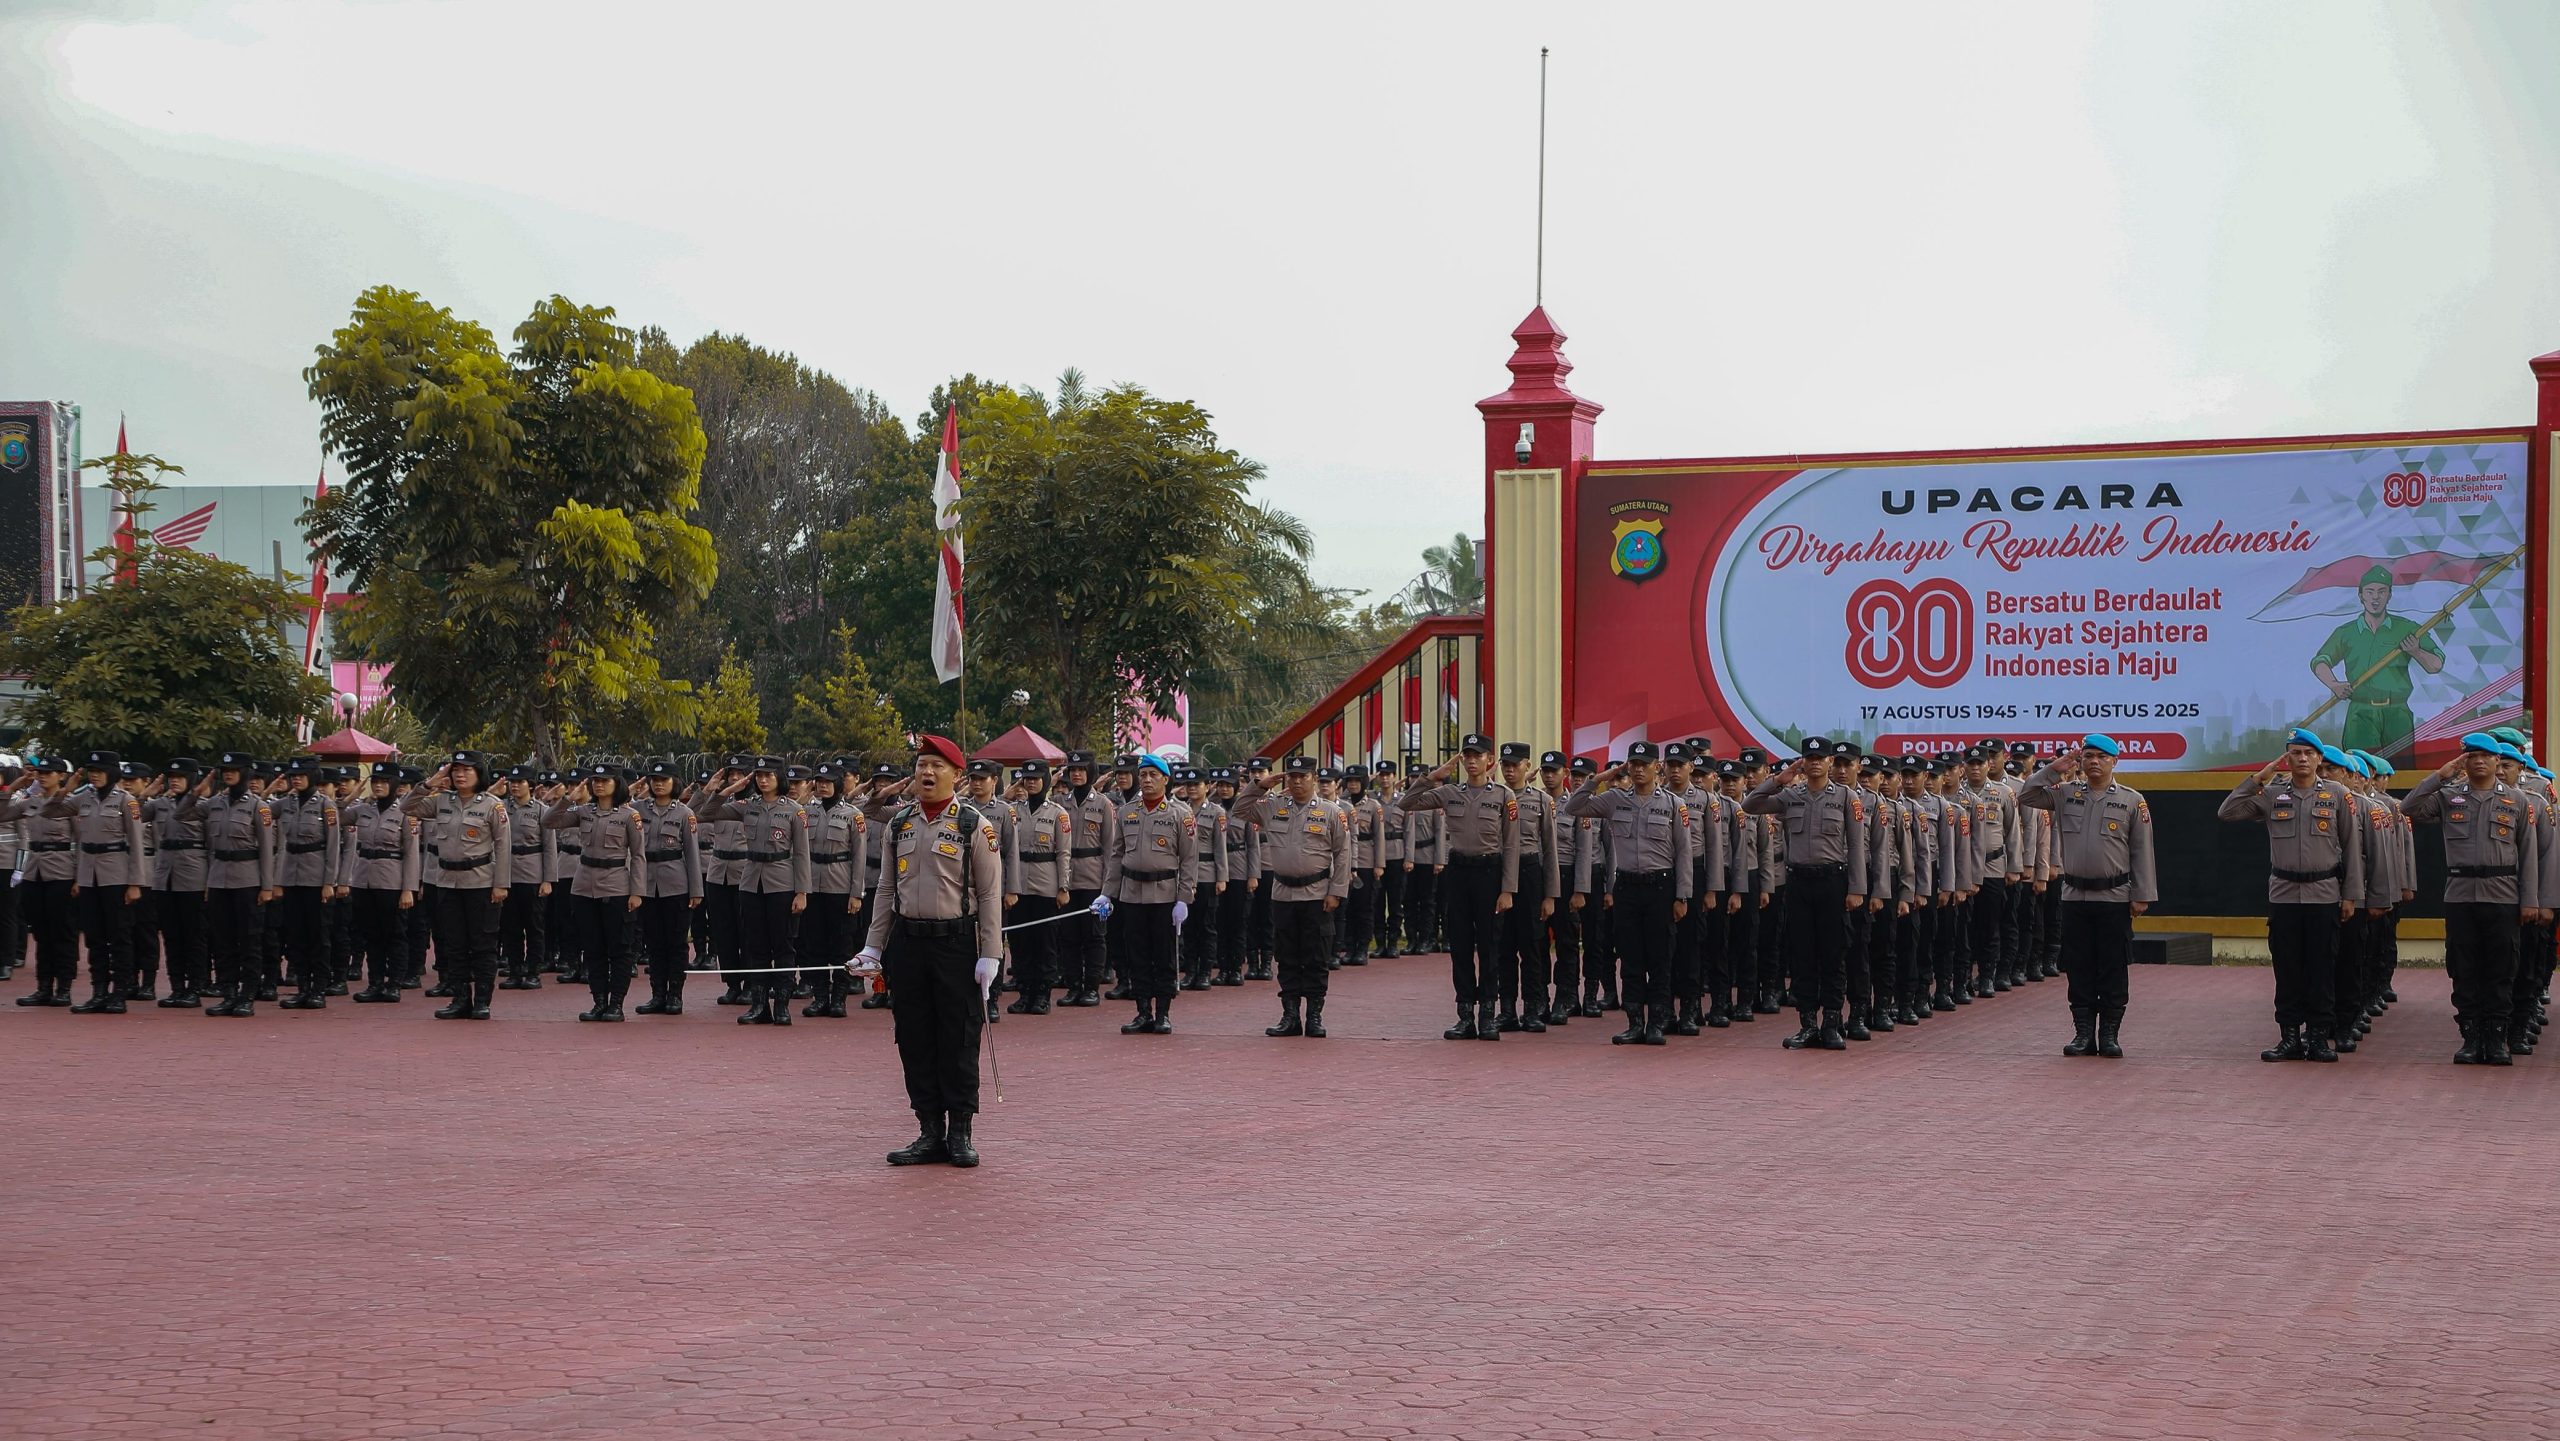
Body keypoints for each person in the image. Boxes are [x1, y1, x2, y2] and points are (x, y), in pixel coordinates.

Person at [857, 734, 1006, 1168]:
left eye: (937, 766)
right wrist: (873, 945)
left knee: (958, 1036)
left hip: (956, 944)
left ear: (957, 776)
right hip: (908, 943)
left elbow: (991, 894)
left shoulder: (973, 826)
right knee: (915, 1036)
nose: (926, 773)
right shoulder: (900, 822)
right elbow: (886, 888)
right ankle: (928, 1130)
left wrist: (990, 954)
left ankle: (960, 1131)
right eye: (922, 764)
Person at [2218, 728, 2363, 1061]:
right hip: (2284, 895)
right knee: (2287, 970)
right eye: (2295, 754)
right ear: (2287, 758)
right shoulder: (2272, 794)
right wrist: (2261, 777)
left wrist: (2350, 895)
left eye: (2308, 754)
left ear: (2318, 758)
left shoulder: (2338, 794)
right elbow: (2227, 812)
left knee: (2321, 969)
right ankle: (2289, 1038)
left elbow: (2352, 847)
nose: (2302, 759)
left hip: (2324, 894)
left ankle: (2316, 1039)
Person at [2402, 732, 2542, 1064]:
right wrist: (2441, 776)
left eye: (2485, 756)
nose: (2478, 761)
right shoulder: (2450, 797)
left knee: (2501, 968)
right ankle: (2471, 1037)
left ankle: (2496, 1040)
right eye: (2471, 756)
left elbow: (2529, 853)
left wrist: (2530, 900)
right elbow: (2409, 807)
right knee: (2464, 968)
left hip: (2503, 894)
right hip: (2461, 894)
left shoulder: (2517, 801)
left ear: (2497, 761)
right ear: (2463, 760)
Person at [2017, 735, 2158, 1058]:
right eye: (2089, 756)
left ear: (2115, 762)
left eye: (2102, 757)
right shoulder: (2067, 794)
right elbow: (2026, 795)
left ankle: (2109, 1034)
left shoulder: (2131, 800)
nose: (2094, 762)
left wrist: (2142, 894)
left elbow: (2142, 851)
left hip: (2114, 897)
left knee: (2112, 966)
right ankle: (2082, 1034)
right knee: (2078, 966)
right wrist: (2055, 769)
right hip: (2075, 896)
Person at [1742, 738, 1870, 1051]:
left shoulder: (1845, 797)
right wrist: (1777, 780)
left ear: (1829, 762)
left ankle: (1830, 1023)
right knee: (1802, 954)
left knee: (1833, 953)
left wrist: (1857, 889)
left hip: (1832, 882)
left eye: (1820, 758)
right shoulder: (1790, 796)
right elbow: (1750, 806)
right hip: (1799, 883)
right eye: (1809, 757)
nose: (1814, 763)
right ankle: (1807, 1024)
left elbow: (1855, 845)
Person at [1561, 742, 1692, 1046]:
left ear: (1656, 767)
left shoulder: (1673, 804)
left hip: (1661, 886)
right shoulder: (1613, 800)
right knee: (1631, 958)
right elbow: (1573, 806)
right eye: (1633, 763)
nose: (1637, 769)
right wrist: (1600, 778)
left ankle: (1658, 1021)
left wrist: (1681, 896)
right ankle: (1635, 1022)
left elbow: (1684, 853)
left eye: (1644, 763)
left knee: (1660, 958)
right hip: (1627, 888)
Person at [1397, 735, 1523, 1041]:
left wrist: (1508, 889)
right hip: (1459, 873)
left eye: (1477, 755)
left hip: (1489, 874)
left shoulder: (1504, 796)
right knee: (1461, 945)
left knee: (1490, 947)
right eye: (1466, 755)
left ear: (1489, 759)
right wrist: (1434, 776)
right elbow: (1407, 803)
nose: (1471, 760)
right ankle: (1465, 1015)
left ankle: (1488, 1016)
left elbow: (1511, 844)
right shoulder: (1451, 792)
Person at [1228, 756, 1350, 1037]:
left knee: (1316, 956)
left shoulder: (1331, 812)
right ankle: (1290, 1015)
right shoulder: (1273, 807)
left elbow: (1343, 854)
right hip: (1283, 894)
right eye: (1292, 776)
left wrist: (1336, 892)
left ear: (1314, 779)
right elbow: (1240, 809)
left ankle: (1315, 1016)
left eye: (1302, 776)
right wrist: (1260, 785)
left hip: (1317, 894)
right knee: (1287, 956)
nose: (1296, 781)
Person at [698, 756, 810, 1027]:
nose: (762, 780)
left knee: (782, 944)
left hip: (781, 882)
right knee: (755, 944)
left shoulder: (794, 811)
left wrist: (802, 892)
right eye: (758, 775)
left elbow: (802, 854)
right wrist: (726, 791)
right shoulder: (747, 807)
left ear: (778, 778)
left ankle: (781, 1005)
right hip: (750, 881)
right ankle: (759, 1004)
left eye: (768, 775)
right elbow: (706, 814)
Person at [405, 752, 510, 1020]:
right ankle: (460, 999)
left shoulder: (492, 805)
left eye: (466, 770)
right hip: (448, 882)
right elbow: (407, 807)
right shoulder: (441, 801)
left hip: (481, 882)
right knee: (455, 944)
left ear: (479, 774)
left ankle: (482, 1002)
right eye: (456, 770)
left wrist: (501, 884)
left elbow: (503, 846)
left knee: (483, 944)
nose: (460, 775)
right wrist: (430, 783)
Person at [1097, 755, 1195, 1034]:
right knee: (1136, 954)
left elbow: (1188, 860)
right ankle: (1143, 1012)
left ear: (1165, 779)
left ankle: (1163, 1012)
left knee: (1163, 956)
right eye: (1144, 775)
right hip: (1132, 895)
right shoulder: (1127, 812)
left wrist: (1183, 899)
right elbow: (1117, 856)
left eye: (1154, 775)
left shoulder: (1180, 814)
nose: (1148, 780)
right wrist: (1107, 894)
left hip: (1164, 895)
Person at [2311, 565, 2446, 760]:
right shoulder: (2346, 633)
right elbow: (2320, 661)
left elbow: (2436, 665)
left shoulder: (2407, 628)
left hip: (2397, 714)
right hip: (2361, 713)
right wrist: (2334, 684)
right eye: (2370, 591)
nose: (2376, 597)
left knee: (2401, 773)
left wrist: (2416, 651)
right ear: (2361, 596)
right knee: (2357, 772)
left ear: (2389, 595)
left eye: (2382, 591)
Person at [633, 760, 708, 1016]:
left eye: (664, 780)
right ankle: (657, 995)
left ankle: (675, 995)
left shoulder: (685, 813)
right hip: (645, 882)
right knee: (653, 942)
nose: (658, 783)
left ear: (674, 783)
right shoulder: (637, 810)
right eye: (654, 779)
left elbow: (692, 853)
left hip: (675, 882)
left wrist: (696, 890)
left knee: (676, 942)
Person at [343, 764, 420, 1003]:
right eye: (375, 781)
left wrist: (408, 889)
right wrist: (353, 795)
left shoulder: (406, 813)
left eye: (384, 781)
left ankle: (394, 983)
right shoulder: (363, 809)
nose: (378, 785)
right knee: (371, 934)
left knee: (394, 934)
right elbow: (334, 813)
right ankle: (375, 983)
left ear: (395, 785)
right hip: (364, 879)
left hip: (392, 881)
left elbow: (411, 853)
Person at [1542, 753, 1608, 1027]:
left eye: (1553, 771)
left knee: (1582, 939)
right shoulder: (1539, 802)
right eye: (1545, 771)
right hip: (1546, 875)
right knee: (1543, 940)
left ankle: (1581, 994)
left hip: (1580, 875)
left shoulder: (1584, 807)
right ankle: (1551, 997)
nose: (1548, 775)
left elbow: (1589, 849)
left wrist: (1582, 889)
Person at [1003, 763, 1072, 1013]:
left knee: (1045, 942)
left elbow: (1064, 852)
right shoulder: (1011, 811)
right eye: (1027, 778)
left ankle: (1042, 994)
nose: (1031, 783)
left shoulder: (1057, 813)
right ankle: (1024, 992)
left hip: (1046, 884)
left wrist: (1063, 886)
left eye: (1036, 778)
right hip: (1018, 884)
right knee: (1020, 942)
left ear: (1046, 780)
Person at [494, 766, 555, 992]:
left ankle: (533, 972)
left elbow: (549, 848)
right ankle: (515, 970)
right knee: (510, 927)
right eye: (513, 781)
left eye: (520, 782)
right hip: (507, 874)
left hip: (532, 874)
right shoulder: (500, 808)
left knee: (534, 926)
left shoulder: (541, 810)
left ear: (531, 785)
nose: (515, 785)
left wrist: (548, 879)